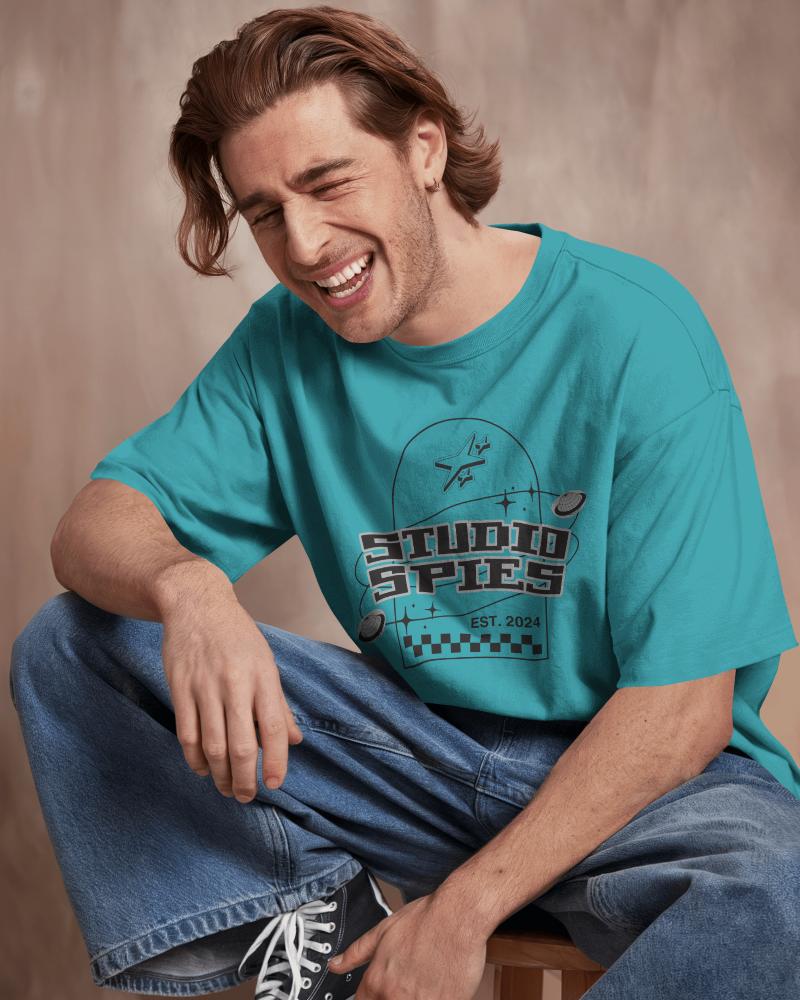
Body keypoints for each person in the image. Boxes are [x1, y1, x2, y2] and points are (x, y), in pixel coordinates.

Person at [10, 6, 800, 999]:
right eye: (264, 213)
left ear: (423, 148)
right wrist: (189, 586)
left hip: (642, 790)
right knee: (74, 643)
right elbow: (93, 524)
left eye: (326, 182)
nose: (304, 244)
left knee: (780, 886)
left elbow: (681, 712)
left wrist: (464, 908)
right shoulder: (283, 346)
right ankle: (317, 938)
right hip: (417, 763)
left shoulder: (635, 329)